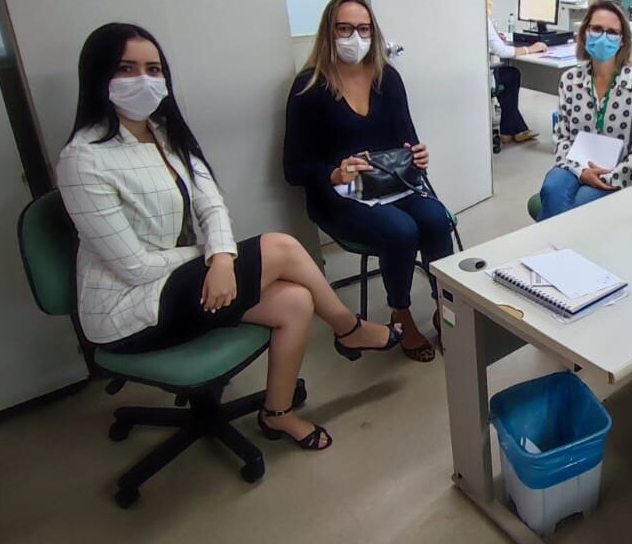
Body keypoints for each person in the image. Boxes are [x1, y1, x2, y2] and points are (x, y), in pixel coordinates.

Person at [58, 23, 401, 452]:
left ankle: (278, 414)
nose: (143, 80)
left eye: (153, 69)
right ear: (98, 76)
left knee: (296, 301)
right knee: (280, 247)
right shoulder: (83, 159)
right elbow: (133, 266)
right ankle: (349, 328)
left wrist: (222, 258)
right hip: (129, 309)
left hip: (181, 283)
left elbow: (211, 204)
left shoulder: (164, 134)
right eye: (126, 69)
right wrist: (212, 257)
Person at [283, 0, 454, 364]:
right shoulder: (309, 88)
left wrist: (418, 156)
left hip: (391, 184)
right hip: (339, 197)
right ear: (328, 33)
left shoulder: (387, 78)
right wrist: (333, 172)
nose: (355, 38)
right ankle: (401, 314)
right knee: (401, 231)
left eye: (363, 29)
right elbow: (293, 168)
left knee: (437, 219)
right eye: (344, 29)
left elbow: (408, 139)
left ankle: (446, 307)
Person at [537, 0, 632, 220]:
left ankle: (554, 240)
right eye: (597, 29)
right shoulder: (570, 80)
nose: (603, 37)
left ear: (622, 40)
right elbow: (562, 137)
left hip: (616, 172)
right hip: (573, 165)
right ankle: (559, 241)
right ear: (585, 33)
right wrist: (581, 172)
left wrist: (611, 176)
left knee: (582, 203)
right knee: (551, 188)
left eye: (612, 32)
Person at [487, 0, 545, 144]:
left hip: (477, 72)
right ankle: (515, 130)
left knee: (507, 73)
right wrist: (530, 49)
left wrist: (496, 38)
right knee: (511, 74)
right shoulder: (482, 18)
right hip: (483, 76)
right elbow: (502, 51)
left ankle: (510, 131)